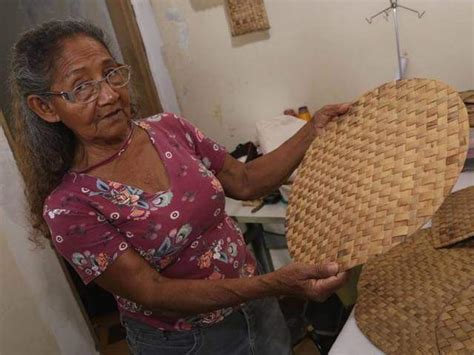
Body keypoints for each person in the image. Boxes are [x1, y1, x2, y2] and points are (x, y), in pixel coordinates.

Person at [10, 19, 350, 355]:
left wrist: (311, 131)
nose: (110, 94)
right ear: (45, 107)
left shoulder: (168, 129)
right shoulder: (69, 207)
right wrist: (273, 283)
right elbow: (154, 291)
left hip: (258, 309)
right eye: (82, 87)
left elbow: (245, 181)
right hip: (189, 342)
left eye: (111, 73)